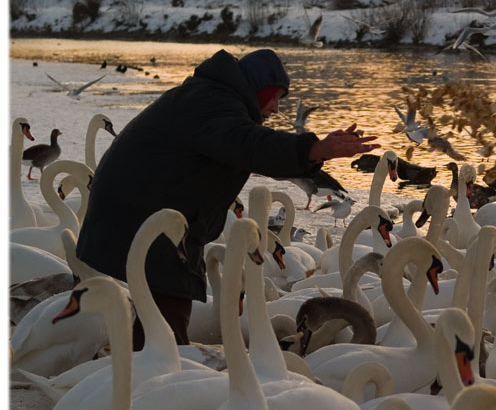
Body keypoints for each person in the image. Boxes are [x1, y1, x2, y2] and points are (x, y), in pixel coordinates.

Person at [75, 48, 378, 349]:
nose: (275, 109)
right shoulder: (212, 104)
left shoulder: (214, 98)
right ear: (256, 89)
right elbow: (249, 145)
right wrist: (315, 149)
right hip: (143, 214)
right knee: (169, 308)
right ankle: (159, 375)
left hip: (147, 210)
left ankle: (144, 368)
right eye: (273, 97)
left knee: (161, 306)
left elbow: (249, 148)